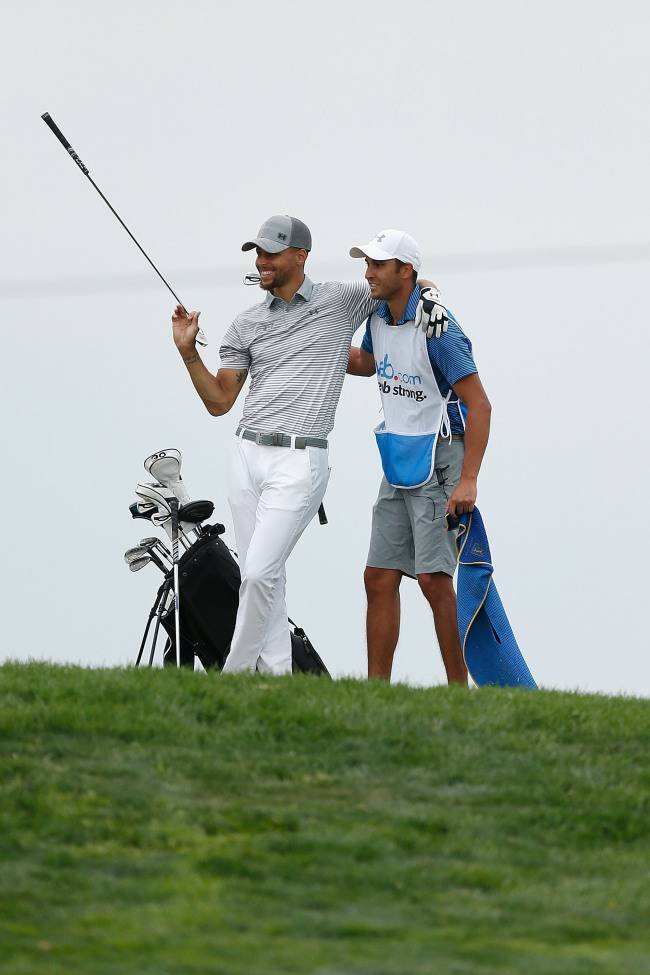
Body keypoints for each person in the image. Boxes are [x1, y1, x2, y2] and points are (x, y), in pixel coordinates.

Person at [171, 215, 444, 675]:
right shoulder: (247, 323)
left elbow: (403, 285)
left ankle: (233, 674)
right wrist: (188, 352)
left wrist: (428, 301)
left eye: (271, 253)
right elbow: (219, 401)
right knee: (264, 578)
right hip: (246, 455)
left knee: (257, 573)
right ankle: (276, 679)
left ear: (300, 256)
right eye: (257, 254)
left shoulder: (342, 300)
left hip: (300, 461)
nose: (262, 262)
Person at [347, 229, 492, 685]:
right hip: (398, 459)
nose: (368, 273)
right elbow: (369, 363)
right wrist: (322, 351)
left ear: (404, 270)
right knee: (379, 576)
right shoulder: (378, 316)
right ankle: (377, 692)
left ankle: (456, 688)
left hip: (442, 458)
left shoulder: (439, 327)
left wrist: (469, 479)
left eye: (378, 265)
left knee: (433, 580)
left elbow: (480, 405)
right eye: (366, 264)